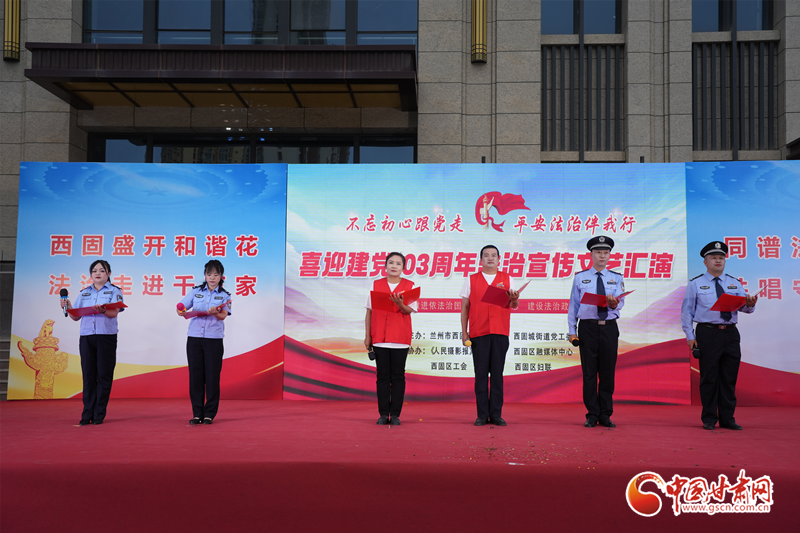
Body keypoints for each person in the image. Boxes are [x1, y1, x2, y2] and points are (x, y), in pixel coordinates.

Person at [681, 241, 757, 431]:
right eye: (714, 258)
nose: (718, 261)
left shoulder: (734, 282)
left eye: (721, 258)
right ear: (705, 262)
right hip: (707, 333)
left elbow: (745, 308)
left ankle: (727, 418)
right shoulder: (695, 284)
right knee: (709, 377)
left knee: (729, 377)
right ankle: (709, 418)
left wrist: (750, 304)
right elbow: (687, 312)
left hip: (730, 333)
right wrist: (690, 336)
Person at [568, 236, 625, 428]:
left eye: (606, 252)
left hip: (609, 328)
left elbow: (621, 303)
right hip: (588, 328)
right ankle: (592, 414)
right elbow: (573, 306)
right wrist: (572, 331)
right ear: (591, 254)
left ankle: (606, 414)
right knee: (589, 373)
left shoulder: (616, 277)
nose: (602, 255)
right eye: (598, 252)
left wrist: (614, 304)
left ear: (610, 255)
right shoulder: (580, 277)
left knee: (608, 373)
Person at [460, 245, 519, 426]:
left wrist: (515, 299)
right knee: (480, 375)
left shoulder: (507, 278)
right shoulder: (471, 280)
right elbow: (465, 308)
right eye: (486, 255)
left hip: (500, 332)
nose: (490, 258)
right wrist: (464, 332)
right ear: (481, 260)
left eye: (494, 255)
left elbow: (514, 305)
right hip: (479, 333)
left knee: (497, 375)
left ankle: (496, 414)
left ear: (499, 259)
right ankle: (481, 415)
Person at [60, 260, 124, 426]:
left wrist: (103, 310)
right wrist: (68, 307)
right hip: (87, 336)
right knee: (88, 376)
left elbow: (114, 313)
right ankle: (87, 412)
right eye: (94, 271)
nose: (98, 273)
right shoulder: (84, 293)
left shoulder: (114, 291)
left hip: (106, 337)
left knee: (103, 375)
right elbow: (75, 317)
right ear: (90, 274)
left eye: (102, 270)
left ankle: (98, 413)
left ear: (108, 274)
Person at [364, 252, 417, 426]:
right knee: (382, 377)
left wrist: (400, 303)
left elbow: (409, 311)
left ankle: (395, 414)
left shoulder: (410, 285)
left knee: (398, 377)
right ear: (385, 265)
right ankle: (382, 414)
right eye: (391, 262)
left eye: (398, 263)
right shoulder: (376, 284)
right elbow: (369, 311)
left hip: (400, 338)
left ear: (403, 267)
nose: (394, 266)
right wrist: (368, 336)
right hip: (380, 337)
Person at [177, 260, 231, 425]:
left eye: (215, 274)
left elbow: (223, 316)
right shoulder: (195, 292)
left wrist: (215, 313)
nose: (212, 277)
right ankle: (197, 413)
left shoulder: (225, 295)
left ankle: (209, 414)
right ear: (205, 276)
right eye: (209, 274)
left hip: (213, 340)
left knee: (212, 377)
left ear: (221, 276)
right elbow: (182, 307)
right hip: (194, 338)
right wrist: (181, 310)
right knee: (196, 376)